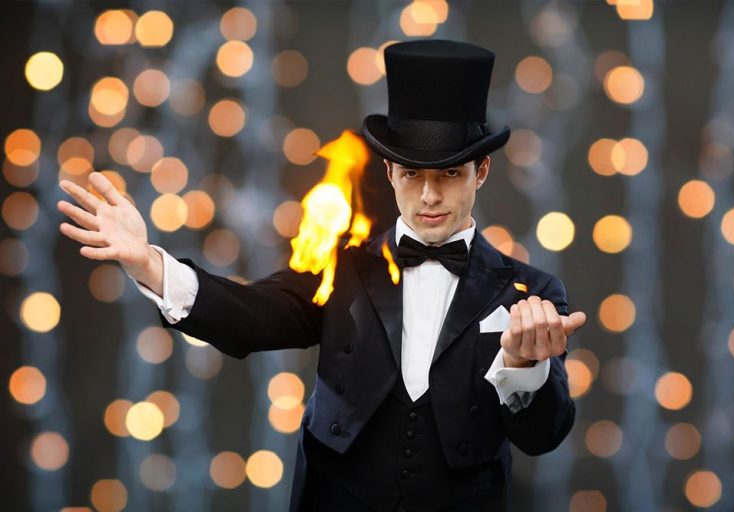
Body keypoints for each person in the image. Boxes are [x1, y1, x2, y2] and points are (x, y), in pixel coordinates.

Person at [57, 40, 586, 511]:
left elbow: (543, 436)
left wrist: (523, 365)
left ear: (481, 172)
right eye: (412, 175)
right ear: (388, 172)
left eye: (450, 174)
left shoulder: (530, 292)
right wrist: (150, 262)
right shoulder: (345, 267)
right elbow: (251, 318)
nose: (429, 196)